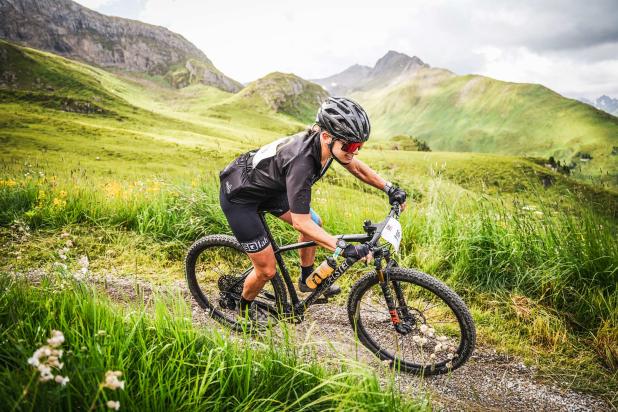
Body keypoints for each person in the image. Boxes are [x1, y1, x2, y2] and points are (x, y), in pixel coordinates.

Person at [218, 97, 407, 322]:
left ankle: (307, 279)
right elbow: (300, 222)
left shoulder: (328, 145)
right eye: (350, 146)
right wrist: (343, 248)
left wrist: (389, 188)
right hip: (241, 197)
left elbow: (355, 167)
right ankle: (243, 309)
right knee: (267, 270)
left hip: (270, 187)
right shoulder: (302, 163)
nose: (354, 152)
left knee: (315, 223)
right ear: (326, 136)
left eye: (359, 146)